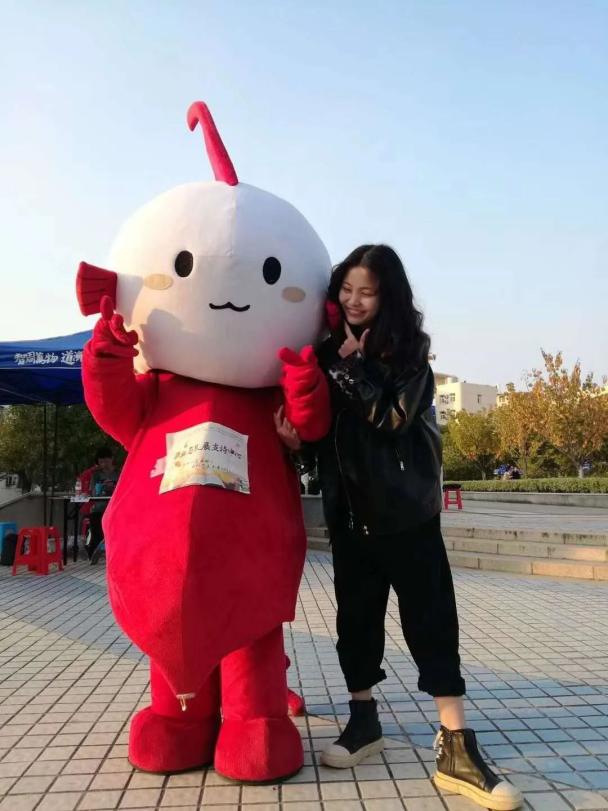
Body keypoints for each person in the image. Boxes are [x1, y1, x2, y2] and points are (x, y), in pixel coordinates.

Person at [275, 245, 522, 811]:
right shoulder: (326, 354)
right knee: (355, 623)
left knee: (431, 621)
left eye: (367, 291)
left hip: (408, 516)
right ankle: (363, 721)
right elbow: (326, 436)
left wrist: (353, 367)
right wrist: (296, 444)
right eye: (346, 289)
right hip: (349, 516)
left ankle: (456, 743)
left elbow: (393, 418)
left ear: (387, 296)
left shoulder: (410, 354)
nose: (354, 300)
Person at [85, 447, 119, 564]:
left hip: (116, 508)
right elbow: (94, 493)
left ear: (112, 459)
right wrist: (103, 487)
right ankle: (93, 555)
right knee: (96, 532)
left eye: (106, 461)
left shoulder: (119, 473)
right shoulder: (96, 475)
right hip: (99, 508)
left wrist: (113, 487)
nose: (104, 464)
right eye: (101, 462)